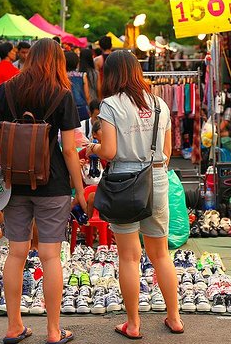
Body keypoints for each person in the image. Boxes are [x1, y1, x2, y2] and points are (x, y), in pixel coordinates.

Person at [0, 38, 84, 344]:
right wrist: (79, 189)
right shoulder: (62, 94)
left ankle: (14, 326)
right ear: (57, 61)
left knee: (16, 253)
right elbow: (69, 150)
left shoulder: (8, 90)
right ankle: (54, 331)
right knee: (50, 256)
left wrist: (20, 142)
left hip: (15, 181)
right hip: (53, 182)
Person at [87, 49, 182, 339]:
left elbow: (110, 151)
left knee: (129, 257)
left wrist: (91, 148)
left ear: (112, 75)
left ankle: (133, 323)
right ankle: (174, 317)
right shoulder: (159, 104)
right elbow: (167, 152)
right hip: (156, 178)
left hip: (124, 181)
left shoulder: (110, 105)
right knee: (161, 254)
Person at [65, 51, 90, 121]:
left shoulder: (62, 76)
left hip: (67, 109)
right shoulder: (82, 75)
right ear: (77, 63)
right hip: (81, 108)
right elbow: (87, 95)